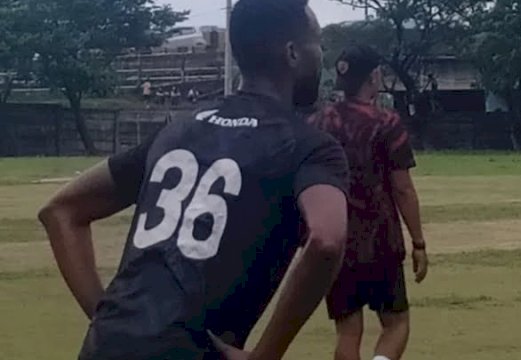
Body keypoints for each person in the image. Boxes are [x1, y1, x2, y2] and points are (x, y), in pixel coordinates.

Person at [38, 0, 349, 359]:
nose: (322, 54)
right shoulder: (309, 145)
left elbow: (61, 210)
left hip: (106, 346)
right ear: (292, 53)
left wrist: (107, 319)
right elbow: (327, 241)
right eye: (317, 42)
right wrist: (267, 354)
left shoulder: (179, 130)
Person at [309, 45, 429, 360]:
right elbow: (402, 188)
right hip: (381, 242)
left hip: (337, 242)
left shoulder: (319, 124)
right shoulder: (387, 123)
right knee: (396, 324)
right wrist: (418, 242)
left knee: (348, 332)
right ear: (374, 77)